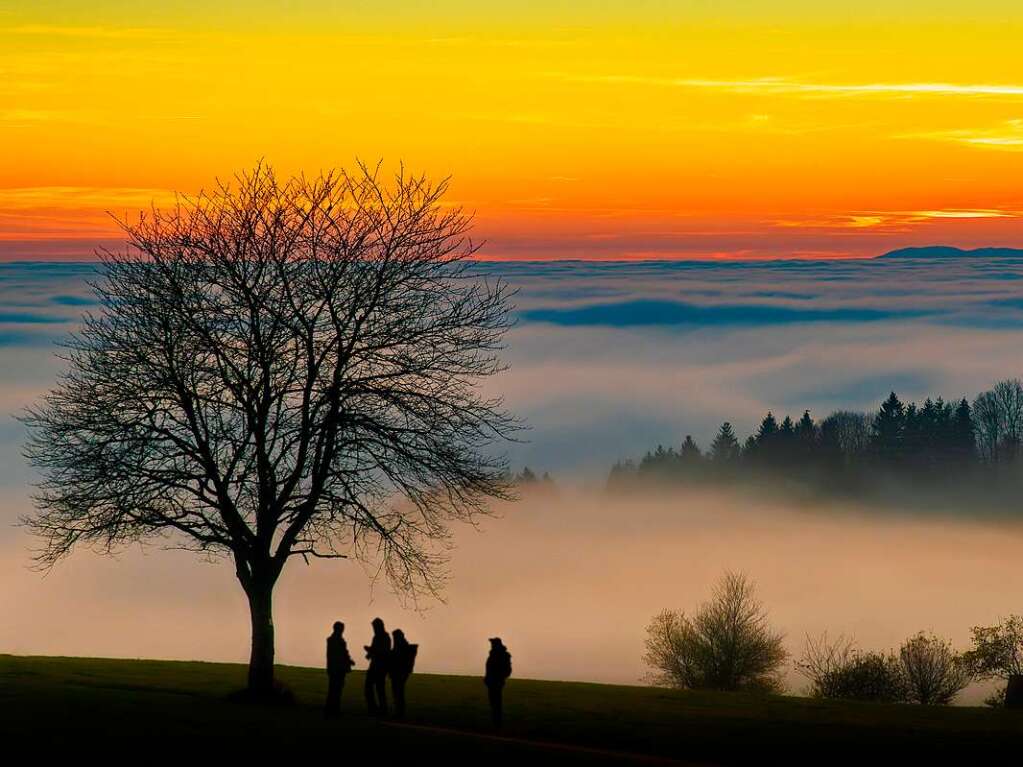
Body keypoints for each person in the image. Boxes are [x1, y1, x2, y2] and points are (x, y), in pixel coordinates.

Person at [324, 621, 354, 718]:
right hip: (338, 669)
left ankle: (331, 709)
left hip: (334, 669)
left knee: (333, 689)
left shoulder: (332, 640)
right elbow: (341, 654)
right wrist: (348, 661)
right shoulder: (338, 641)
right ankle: (333, 709)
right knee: (336, 690)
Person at [364, 617, 391, 715]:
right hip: (377, 666)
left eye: (374, 627)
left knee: (376, 689)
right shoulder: (379, 637)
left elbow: (383, 652)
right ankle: (378, 709)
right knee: (377, 689)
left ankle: (378, 709)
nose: (374, 629)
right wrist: (369, 652)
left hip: (379, 667)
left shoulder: (383, 637)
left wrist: (370, 651)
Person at [389, 628, 419, 718]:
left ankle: (399, 712)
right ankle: (399, 711)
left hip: (399, 673)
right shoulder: (403, 646)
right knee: (398, 692)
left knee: (398, 692)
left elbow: (396, 658)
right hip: (400, 673)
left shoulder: (400, 647)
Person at [484, 637, 512, 727]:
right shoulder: (494, 655)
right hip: (492, 682)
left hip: (497, 682)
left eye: (492, 643)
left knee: (496, 702)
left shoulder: (502, 655)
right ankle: (496, 721)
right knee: (494, 702)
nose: (491, 645)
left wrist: (499, 678)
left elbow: (507, 670)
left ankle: (497, 722)